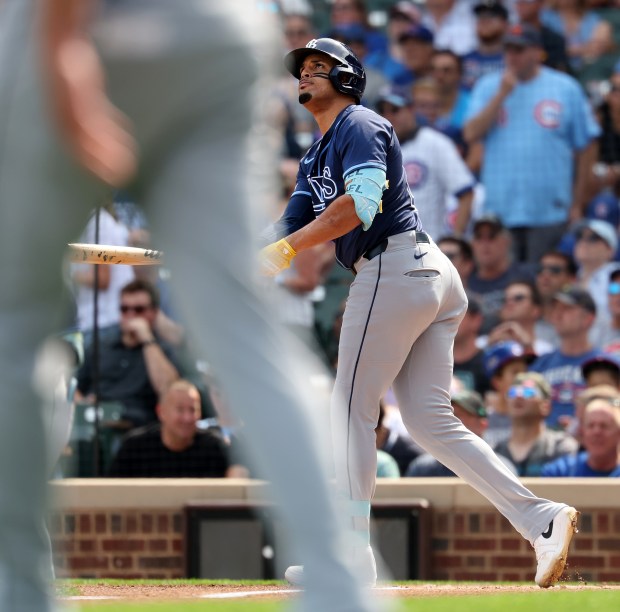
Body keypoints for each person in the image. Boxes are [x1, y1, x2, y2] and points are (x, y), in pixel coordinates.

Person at [3, 3, 378, 611]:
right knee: (247, 334)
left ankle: (20, 596)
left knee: (14, 330)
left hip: (87, 23)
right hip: (223, 25)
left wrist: (61, 44)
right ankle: (341, 593)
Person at [262, 36, 579, 590]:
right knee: (431, 423)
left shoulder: (358, 123)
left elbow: (358, 208)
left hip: (394, 267)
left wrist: (286, 251)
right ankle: (540, 518)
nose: (306, 76)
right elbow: (289, 224)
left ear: (347, 79)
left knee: (350, 410)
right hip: (423, 273)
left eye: (319, 67)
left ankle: (349, 553)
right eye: (303, 69)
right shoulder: (316, 153)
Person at [463, 23, 601, 264]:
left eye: (519, 49)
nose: (512, 56)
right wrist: (501, 95)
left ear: (537, 52)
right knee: (509, 288)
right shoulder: (488, 86)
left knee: (544, 281)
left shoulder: (565, 87)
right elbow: (471, 133)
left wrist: (578, 201)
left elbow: (587, 145)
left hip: (550, 208)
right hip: (500, 209)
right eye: (508, 49)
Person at [74, 279, 183, 428]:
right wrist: (82, 405)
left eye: (139, 310)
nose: (130, 315)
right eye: (124, 309)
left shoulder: (162, 351)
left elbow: (168, 390)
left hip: (137, 427)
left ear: (154, 313)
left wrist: (146, 340)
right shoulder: (100, 346)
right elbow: (75, 387)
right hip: (95, 422)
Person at [375, 86, 475, 240]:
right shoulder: (375, 150)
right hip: (387, 250)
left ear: (411, 110)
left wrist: (455, 240)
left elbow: (466, 193)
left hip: (427, 247)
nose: (388, 117)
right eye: (383, 111)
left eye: (395, 110)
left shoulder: (435, 143)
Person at [107, 380, 243, 478]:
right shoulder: (135, 448)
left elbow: (238, 475)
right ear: (161, 412)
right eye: (180, 410)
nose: (187, 418)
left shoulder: (214, 447)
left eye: (193, 410)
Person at [529, 285, 604, 429]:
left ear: (588, 318)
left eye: (567, 309)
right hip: (545, 444)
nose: (558, 314)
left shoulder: (607, 365)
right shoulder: (540, 364)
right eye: (556, 308)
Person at [406, 388, 518, 476]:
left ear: (482, 425)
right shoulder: (422, 468)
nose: (449, 422)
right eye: (446, 416)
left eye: (458, 416)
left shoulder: (501, 467)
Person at [70, 203, 135, 345]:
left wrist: (67, 274)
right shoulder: (108, 222)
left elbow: (103, 279)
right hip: (112, 323)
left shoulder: (96, 222)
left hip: (104, 324)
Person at [493, 372, 579, 476]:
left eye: (528, 392)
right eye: (513, 392)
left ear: (545, 406)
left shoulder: (560, 447)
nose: (519, 396)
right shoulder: (495, 452)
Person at [467, 214, 534, 333]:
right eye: (479, 237)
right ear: (472, 244)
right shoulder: (465, 281)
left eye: (491, 237)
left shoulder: (526, 276)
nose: (485, 244)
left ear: (506, 241)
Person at [541, 396, 620, 476]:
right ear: (582, 432)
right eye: (590, 426)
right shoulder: (560, 472)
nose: (596, 432)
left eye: (604, 426)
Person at [486, 280, 554, 355]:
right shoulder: (483, 343)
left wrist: (528, 347)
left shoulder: (546, 350)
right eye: (504, 299)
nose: (509, 303)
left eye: (518, 298)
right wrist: (488, 348)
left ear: (535, 310)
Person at [462, 0, 510, 90]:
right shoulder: (463, 60)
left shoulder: (513, 60)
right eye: (480, 17)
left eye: (491, 16)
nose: (484, 21)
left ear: (505, 24)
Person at [535, 250, 578, 347]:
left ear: (572, 279)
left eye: (555, 270)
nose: (545, 275)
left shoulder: (582, 319)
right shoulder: (526, 317)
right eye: (540, 269)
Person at [514, 0, 571, 73]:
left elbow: (560, 71)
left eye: (527, 1)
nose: (521, 4)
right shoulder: (508, 35)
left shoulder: (554, 40)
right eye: (517, 1)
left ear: (540, 4)